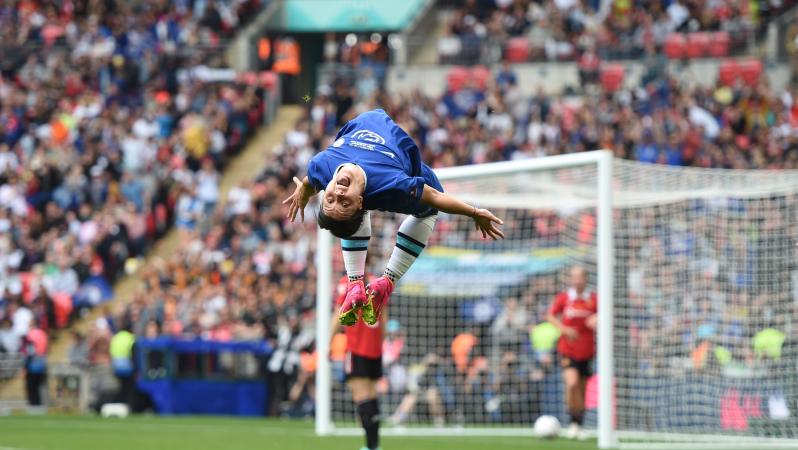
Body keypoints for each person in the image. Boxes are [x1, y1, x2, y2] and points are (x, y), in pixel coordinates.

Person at [283, 109, 504, 327]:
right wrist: (474, 212)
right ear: (359, 201)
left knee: (348, 218)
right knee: (427, 213)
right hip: (412, 177)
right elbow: (435, 196)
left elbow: (310, 182)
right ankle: (387, 280)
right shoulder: (392, 183)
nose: (338, 195)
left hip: (373, 148)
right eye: (344, 202)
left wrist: (304, 189)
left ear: (325, 189)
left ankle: (355, 286)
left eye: (330, 200)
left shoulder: (319, 167)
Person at [330, 274, 384, 450]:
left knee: (361, 396)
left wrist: (328, 342)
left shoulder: (348, 282)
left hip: (357, 347)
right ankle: (375, 445)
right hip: (375, 348)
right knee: (371, 395)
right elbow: (384, 318)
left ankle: (370, 446)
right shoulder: (378, 282)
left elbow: (340, 313)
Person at [546, 266, 597, 440]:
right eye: (574, 277)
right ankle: (571, 421)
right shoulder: (564, 298)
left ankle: (578, 424)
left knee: (582, 389)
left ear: (585, 279)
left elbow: (604, 314)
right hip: (568, 349)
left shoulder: (594, 299)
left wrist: (598, 318)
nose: (577, 280)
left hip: (587, 350)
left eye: (580, 277)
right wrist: (564, 329)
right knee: (572, 382)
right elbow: (550, 316)